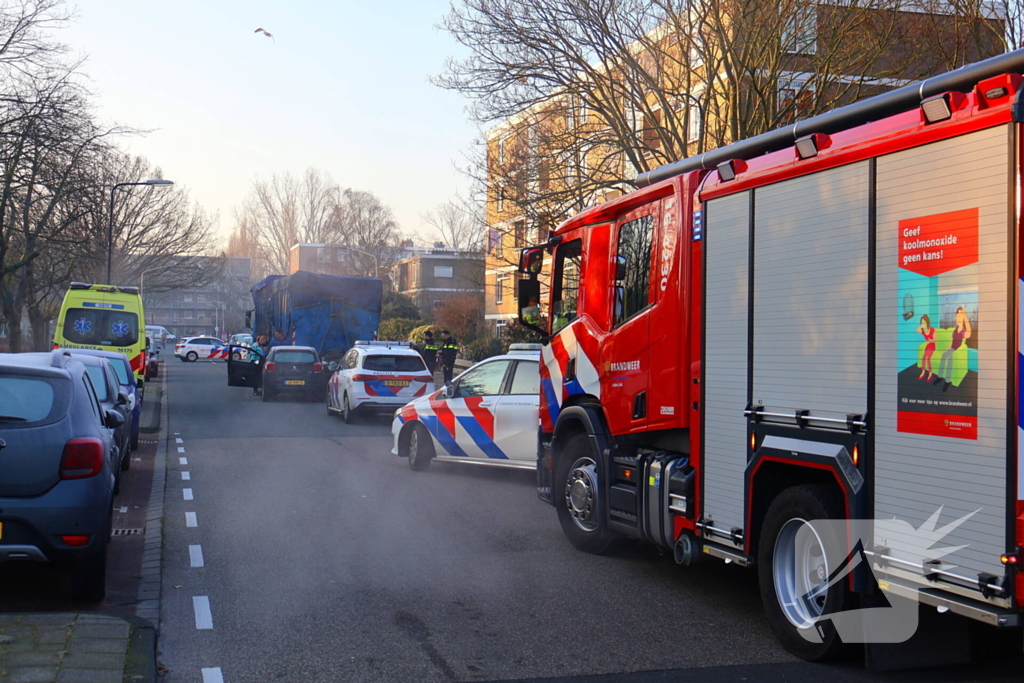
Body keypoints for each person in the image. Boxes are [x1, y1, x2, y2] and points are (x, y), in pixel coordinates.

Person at [934, 306, 972, 393]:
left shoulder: (963, 330)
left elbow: (968, 334)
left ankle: (947, 382)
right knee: (943, 356)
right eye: (957, 315)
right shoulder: (954, 330)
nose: (958, 318)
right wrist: (946, 350)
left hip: (957, 352)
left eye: (960, 315)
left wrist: (965, 317)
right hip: (951, 349)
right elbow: (951, 343)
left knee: (950, 360)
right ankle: (939, 377)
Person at [916, 314, 936, 381]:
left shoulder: (932, 329)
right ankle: (923, 372)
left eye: (924, 322)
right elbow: (917, 330)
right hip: (928, 346)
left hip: (932, 345)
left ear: (927, 322)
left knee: (928, 359)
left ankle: (930, 373)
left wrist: (931, 340)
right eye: (922, 322)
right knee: (923, 358)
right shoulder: (924, 331)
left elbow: (936, 339)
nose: (923, 324)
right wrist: (921, 326)